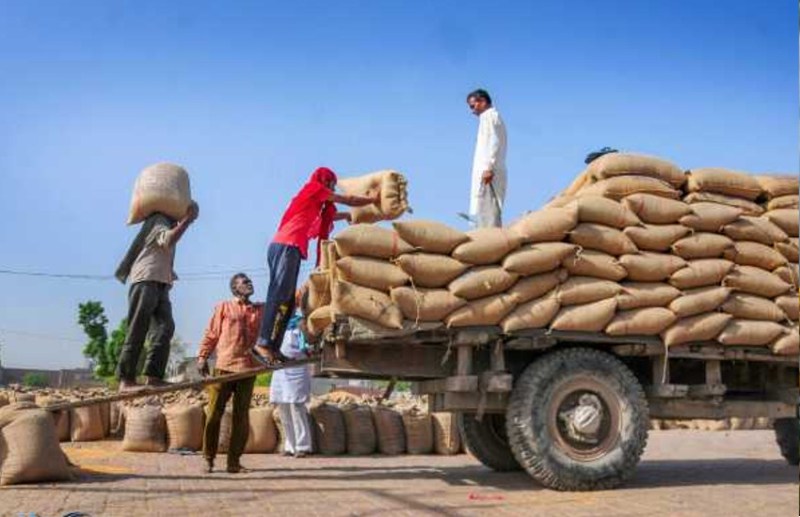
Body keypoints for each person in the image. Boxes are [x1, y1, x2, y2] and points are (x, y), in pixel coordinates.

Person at [252, 167, 377, 364]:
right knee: (278, 295)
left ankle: (274, 348)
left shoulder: (317, 203)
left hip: (291, 248)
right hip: (286, 245)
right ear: (323, 181)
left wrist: (344, 217)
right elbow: (349, 200)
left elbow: (324, 218)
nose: (332, 188)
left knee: (289, 301)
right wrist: (373, 201)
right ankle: (262, 343)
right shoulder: (314, 188)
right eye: (331, 184)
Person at [114, 201, 199, 391]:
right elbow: (167, 240)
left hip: (160, 283)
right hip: (146, 279)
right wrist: (187, 221)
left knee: (165, 327)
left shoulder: (169, 223)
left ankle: (153, 376)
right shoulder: (158, 219)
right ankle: (125, 380)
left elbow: (163, 253)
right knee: (138, 327)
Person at [196, 273, 263, 474]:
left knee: (241, 417)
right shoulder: (224, 307)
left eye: (250, 281)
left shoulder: (259, 309)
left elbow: (284, 305)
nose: (250, 284)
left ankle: (233, 462)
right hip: (224, 367)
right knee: (214, 414)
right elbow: (212, 333)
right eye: (244, 282)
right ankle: (208, 458)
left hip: (248, 368)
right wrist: (202, 357)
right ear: (235, 288)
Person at [269, 291, 313, 458]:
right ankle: (289, 445)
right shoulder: (276, 324)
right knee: (282, 407)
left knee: (297, 407)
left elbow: (308, 343)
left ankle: (303, 446)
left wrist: (305, 334)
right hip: (279, 370)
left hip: (296, 368)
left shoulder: (300, 322)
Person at [467, 88, 508, 228]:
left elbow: (493, 142)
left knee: (487, 215)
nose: (472, 111)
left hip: (488, 175)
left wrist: (488, 168)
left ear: (483, 101)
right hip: (489, 173)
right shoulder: (492, 117)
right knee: (485, 214)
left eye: (473, 106)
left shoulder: (488, 116)